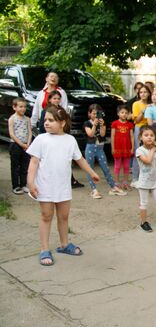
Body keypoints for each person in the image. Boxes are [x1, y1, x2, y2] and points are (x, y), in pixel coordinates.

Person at [26, 106, 100, 266]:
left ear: (62, 123)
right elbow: (34, 162)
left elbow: (79, 159)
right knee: (46, 216)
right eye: (45, 119)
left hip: (63, 187)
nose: (46, 123)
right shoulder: (41, 139)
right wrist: (30, 182)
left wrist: (92, 172)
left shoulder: (70, 140)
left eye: (51, 120)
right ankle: (44, 249)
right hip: (45, 186)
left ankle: (64, 244)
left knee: (64, 216)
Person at [84, 104, 127, 199]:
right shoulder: (87, 123)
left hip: (100, 148)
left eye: (98, 114)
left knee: (105, 168)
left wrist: (102, 125)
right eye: (94, 113)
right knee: (90, 168)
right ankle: (94, 190)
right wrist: (94, 125)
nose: (96, 116)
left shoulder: (102, 122)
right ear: (89, 114)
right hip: (90, 147)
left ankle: (113, 187)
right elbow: (90, 134)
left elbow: (102, 135)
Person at [135, 125, 156, 232]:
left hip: (154, 182)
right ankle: (143, 222)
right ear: (141, 137)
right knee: (144, 203)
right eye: (146, 135)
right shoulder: (139, 150)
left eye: (152, 135)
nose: (149, 137)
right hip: (144, 182)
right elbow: (148, 161)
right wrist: (153, 150)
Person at [8, 97, 32, 194]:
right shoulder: (12, 119)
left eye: (24, 107)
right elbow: (11, 134)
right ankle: (16, 186)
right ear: (14, 107)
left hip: (26, 145)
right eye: (20, 106)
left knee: (25, 166)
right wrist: (21, 144)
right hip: (16, 145)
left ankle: (23, 184)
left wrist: (28, 143)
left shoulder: (27, 119)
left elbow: (30, 132)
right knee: (15, 167)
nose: (23, 109)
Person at [111, 105, 135, 190]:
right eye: (122, 112)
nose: (124, 114)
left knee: (126, 166)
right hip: (117, 148)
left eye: (126, 113)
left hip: (127, 148)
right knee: (117, 166)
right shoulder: (114, 123)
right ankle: (116, 183)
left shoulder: (130, 124)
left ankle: (125, 183)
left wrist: (132, 148)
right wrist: (112, 148)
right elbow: (113, 136)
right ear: (118, 113)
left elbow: (132, 137)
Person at [131, 85, 152, 183]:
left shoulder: (152, 104)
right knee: (138, 152)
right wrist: (143, 111)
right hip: (139, 128)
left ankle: (148, 177)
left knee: (149, 152)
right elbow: (136, 120)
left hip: (149, 128)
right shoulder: (136, 104)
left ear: (148, 93)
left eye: (145, 92)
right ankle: (135, 178)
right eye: (141, 92)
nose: (143, 94)